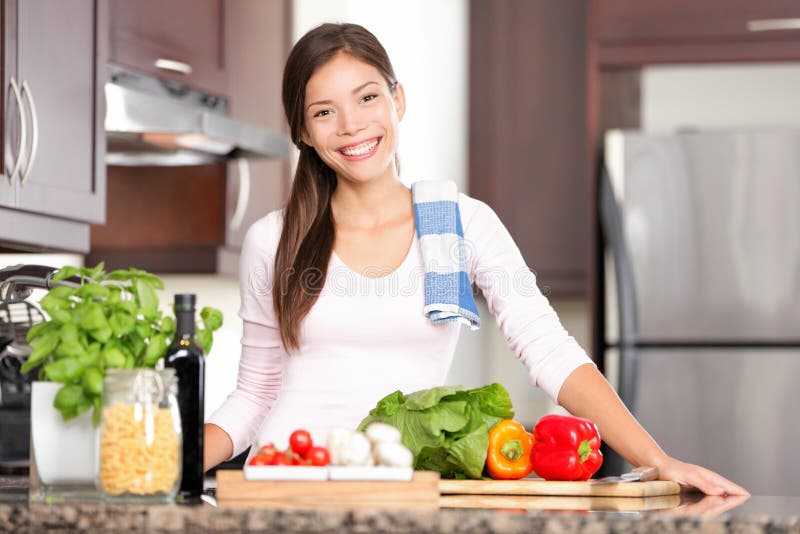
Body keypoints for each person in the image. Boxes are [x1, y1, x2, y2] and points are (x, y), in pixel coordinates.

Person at [203, 22, 748, 496]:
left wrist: (658, 460)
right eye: (324, 111)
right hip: (284, 489)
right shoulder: (273, 240)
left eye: (367, 98)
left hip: (408, 492)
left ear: (399, 100)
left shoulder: (462, 225)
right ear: (303, 130)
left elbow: (549, 350)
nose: (351, 125)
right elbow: (254, 395)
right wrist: (165, 465)